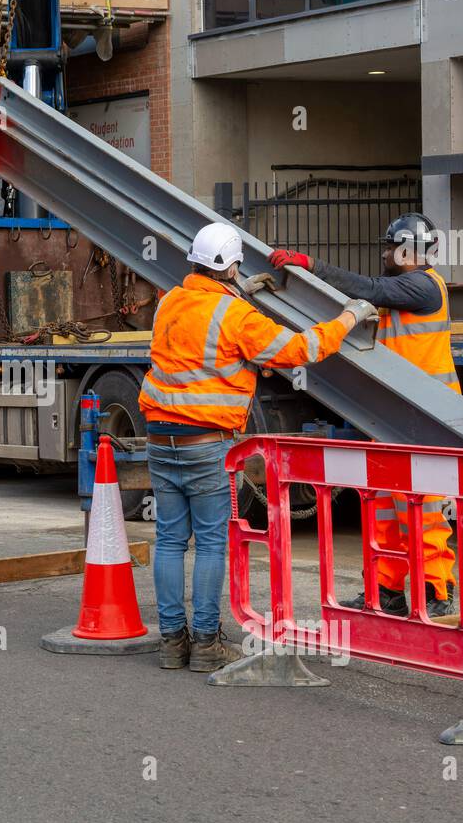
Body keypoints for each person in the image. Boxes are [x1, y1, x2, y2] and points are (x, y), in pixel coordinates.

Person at [140, 222, 375, 672]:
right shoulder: (236, 316)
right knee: (210, 543)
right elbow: (299, 349)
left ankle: (173, 643)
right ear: (230, 265)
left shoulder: (169, 301)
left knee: (170, 540)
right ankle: (206, 644)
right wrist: (350, 315)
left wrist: (242, 291)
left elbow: (200, 327)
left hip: (159, 439)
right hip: (206, 444)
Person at [271, 212, 459, 618]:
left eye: (391, 247)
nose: (386, 253)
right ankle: (386, 591)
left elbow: (368, 287)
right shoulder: (402, 290)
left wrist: (311, 265)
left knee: (424, 510)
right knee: (385, 511)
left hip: (425, 419)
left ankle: (438, 591)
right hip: (393, 416)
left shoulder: (423, 286)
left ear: (410, 251)